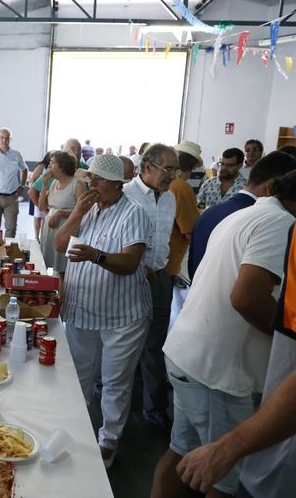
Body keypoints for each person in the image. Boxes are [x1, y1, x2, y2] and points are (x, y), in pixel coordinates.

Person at [153, 169, 296, 498]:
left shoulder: (245, 213)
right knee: (222, 475)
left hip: (188, 353)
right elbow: (245, 297)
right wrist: (288, 337)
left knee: (182, 451)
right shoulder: (282, 225)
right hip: (216, 371)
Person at [54, 154, 152, 469]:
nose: (91, 184)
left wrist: (96, 256)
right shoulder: (89, 209)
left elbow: (130, 263)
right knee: (77, 375)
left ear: (115, 183)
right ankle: (74, 428)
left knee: (114, 380)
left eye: (97, 179)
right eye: (89, 178)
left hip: (122, 316)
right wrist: (77, 213)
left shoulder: (133, 213)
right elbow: (59, 245)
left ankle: (108, 441)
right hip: (83, 309)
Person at [123, 144, 179, 433]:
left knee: (156, 345)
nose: (173, 175)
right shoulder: (125, 194)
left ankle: (154, 409)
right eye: (167, 169)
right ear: (147, 167)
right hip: (128, 279)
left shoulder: (170, 198)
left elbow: (165, 237)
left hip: (159, 279)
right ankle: (109, 398)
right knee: (121, 341)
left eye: (175, 169)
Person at [187, 151, 296, 280]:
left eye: (230, 165)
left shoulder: (209, 214)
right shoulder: (265, 221)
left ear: (240, 165)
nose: (224, 168)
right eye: (222, 164)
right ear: (271, 187)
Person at [38, 151, 85, 279]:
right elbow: (42, 207)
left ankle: (63, 295)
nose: (49, 166)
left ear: (62, 166)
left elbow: (83, 212)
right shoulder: (54, 183)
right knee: (46, 263)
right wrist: (44, 185)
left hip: (66, 228)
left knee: (63, 269)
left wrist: (60, 214)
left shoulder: (77, 184)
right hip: (50, 229)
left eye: (52, 163)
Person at [166, 142, 202, 288]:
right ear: (192, 167)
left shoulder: (167, 182)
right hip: (168, 260)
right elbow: (190, 230)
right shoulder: (181, 187)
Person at [28, 151, 54, 241]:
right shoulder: (42, 165)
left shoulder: (52, 168)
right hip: (38, 192)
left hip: (46, 194)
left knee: (44, 217)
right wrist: (40, 184)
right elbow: (33, 177)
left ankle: (42, 237)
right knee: (37, 216)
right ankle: (36, 236)